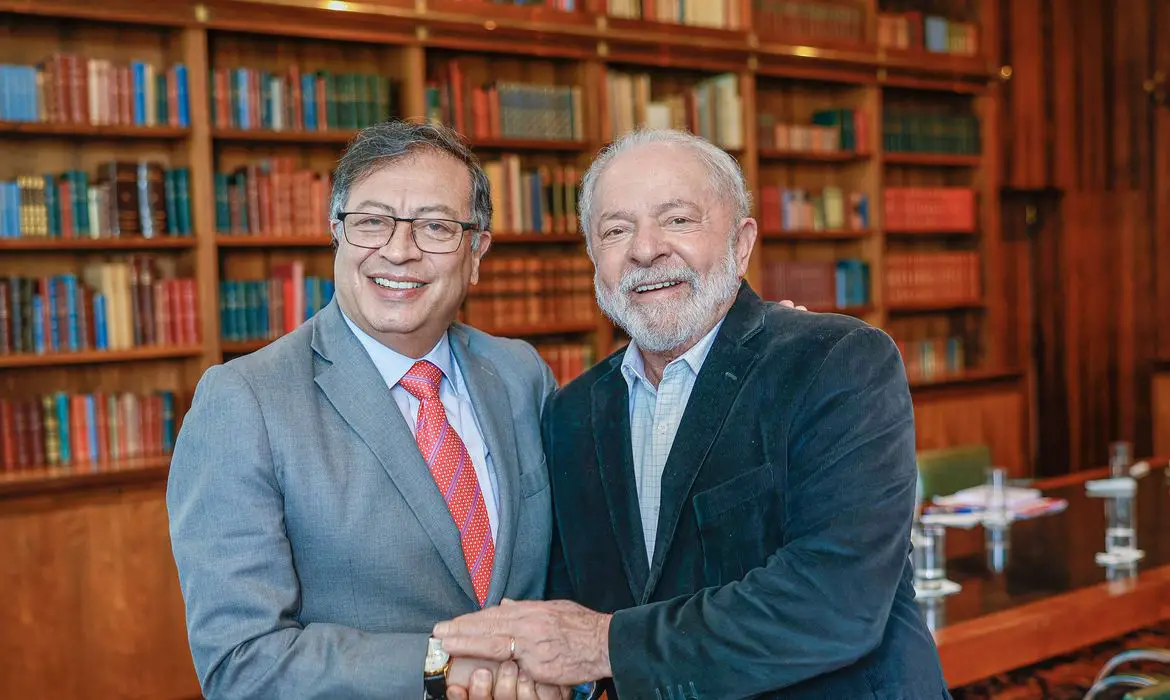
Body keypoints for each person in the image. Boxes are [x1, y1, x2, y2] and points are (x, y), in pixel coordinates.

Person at [433, 128, 952, 699]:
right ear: (593, 260)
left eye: (678, 220)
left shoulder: (836, 362)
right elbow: (570, 605)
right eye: (616, 229)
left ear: (741, 242)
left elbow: (836, 603)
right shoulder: (571, 414)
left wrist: (605, 645)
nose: (646, 248)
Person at [166, 120, 566, 699]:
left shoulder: (521, 374)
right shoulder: (243, 401)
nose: (399, 251)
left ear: (476, 252)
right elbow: (241, 662)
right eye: (372, 222)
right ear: (337, 235)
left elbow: (562, 577)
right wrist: (439, 668)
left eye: (434, 226)